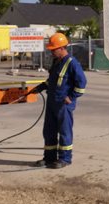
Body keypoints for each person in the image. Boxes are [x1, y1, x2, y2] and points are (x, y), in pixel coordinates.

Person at [31, 32, 87, 169]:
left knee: (64, 132)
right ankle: (49, 158)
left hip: (63, 104)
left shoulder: (72, 63)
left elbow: (82, 83)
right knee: (49, 131)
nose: (51, 52)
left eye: (53, 49)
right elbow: (53, 80)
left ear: (62, 48)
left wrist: (72, 97)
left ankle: (65, 159)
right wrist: (42, 86)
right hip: (52, 103)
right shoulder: (57, 62)